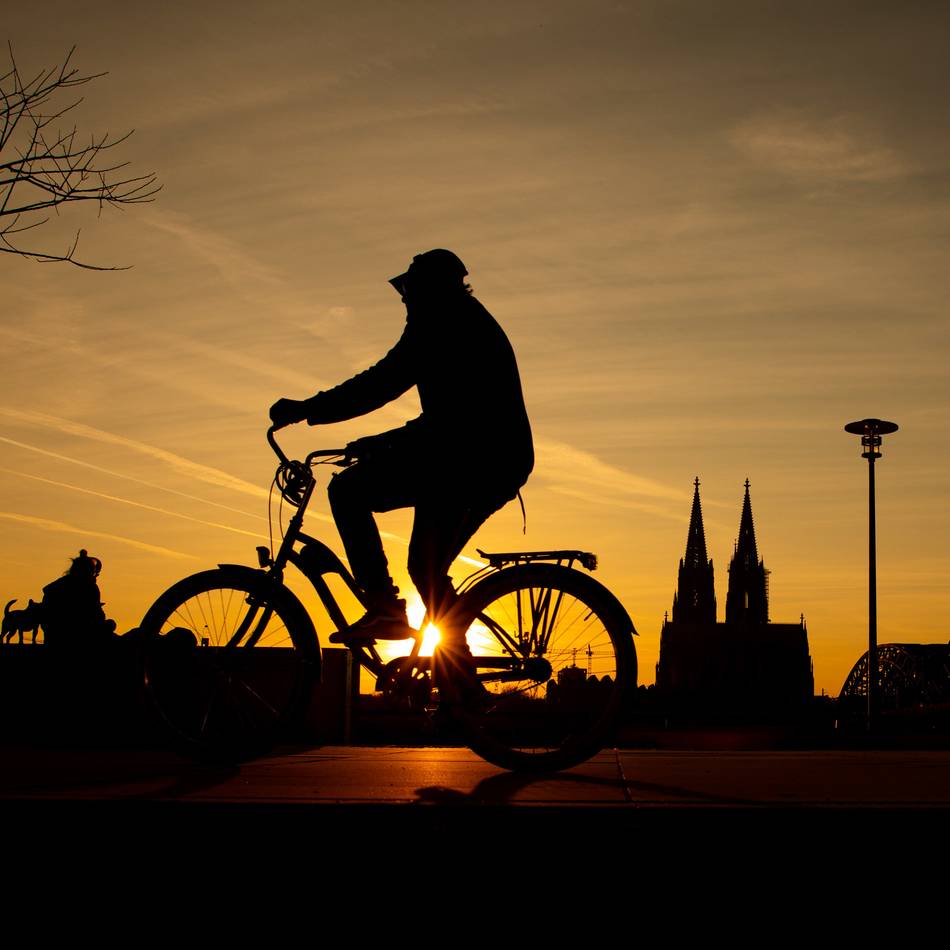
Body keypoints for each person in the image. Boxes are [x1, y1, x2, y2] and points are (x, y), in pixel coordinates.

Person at [270, 249, 533, 648]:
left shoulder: (443, 322)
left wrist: (309, 408)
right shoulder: (460, 319)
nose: (404, 299)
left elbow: (384, 382)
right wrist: (378, 443)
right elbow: (447, 419)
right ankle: (460, 694)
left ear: (430, 289)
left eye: (408, 289)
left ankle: (385, 608)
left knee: (347, 491)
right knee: (426, 569)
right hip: (474, 457)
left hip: (475, 460)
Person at [41, 549, 117, 650]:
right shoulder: (89, 587)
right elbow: (97, 616)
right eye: (94, 573)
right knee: (111, 625)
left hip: (53, 637)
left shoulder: (56, 586)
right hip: (80, 636)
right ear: (89, 572)